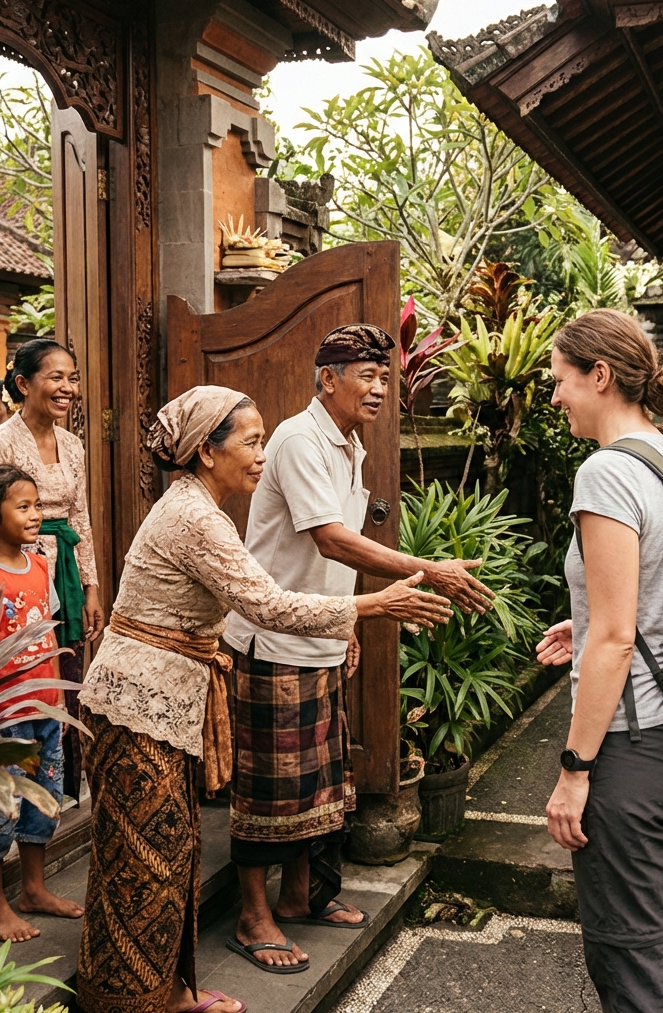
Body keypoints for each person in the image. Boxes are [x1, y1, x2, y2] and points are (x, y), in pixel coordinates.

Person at [75, 386, 451, 1013]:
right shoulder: (195, 518)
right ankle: (148, 998)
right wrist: (371, 605)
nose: (260, 454)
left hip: (149, 704)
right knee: (148, 859)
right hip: (138, 706)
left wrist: (349, 620)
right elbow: (267, 605)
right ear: (204, 452)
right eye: (249, 443)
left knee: (156, 856)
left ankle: (142, 993)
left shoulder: (198, 508)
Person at [223, 323, 495, 970]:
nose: (380, 389)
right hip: (272, 637)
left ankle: (300, 898)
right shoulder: (297, 440)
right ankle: (252, 916)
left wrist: (343, 626)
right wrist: (428, 569)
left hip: (317, 632)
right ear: (328, 379)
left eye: (385, 377)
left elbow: (337, 544)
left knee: (315, 785)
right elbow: (330, 538)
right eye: (367, 376)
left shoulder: (348, 444)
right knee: (270, 787)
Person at [536, 309, 663, 1013]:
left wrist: (573, 770)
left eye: (561, 380)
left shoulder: (607, 472)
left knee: (631, 962)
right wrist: (582, 621)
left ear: (601, 375)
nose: (555, 398)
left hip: (635, 745)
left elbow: (617, 638)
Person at [0, 465, 84, 942]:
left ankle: (34, 889)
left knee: (42, 802)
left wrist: (59, 708)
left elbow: (46, 639)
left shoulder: (40, 565)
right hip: (1, 717)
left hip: (45, 710)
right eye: (23, 507)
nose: (35, 516)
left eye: (36, 505)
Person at [0, 339, 104, 802]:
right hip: (16, 577)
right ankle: (13, 786)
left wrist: (91, 586)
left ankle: (61, 789)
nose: (67, 388)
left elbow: (80, 517)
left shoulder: (72, 444)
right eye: (56, 377)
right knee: (23, 674)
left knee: (65, 677)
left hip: (64, 573)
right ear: (24, 384)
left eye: (72, 378)